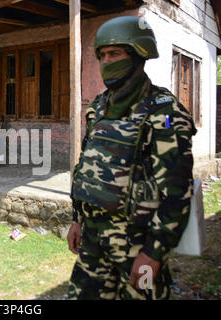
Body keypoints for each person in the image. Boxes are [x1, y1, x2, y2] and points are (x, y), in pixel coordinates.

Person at [67, 16, 197, 300]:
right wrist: (77, 219)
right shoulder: (99, 107)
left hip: (139, 244)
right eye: (101, 55)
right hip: (93, 239)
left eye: (115, 53)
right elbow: (86, 164)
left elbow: (177, 192)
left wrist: (154, 253)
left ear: (139, 54)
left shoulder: (164, 113)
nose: (106, 61)